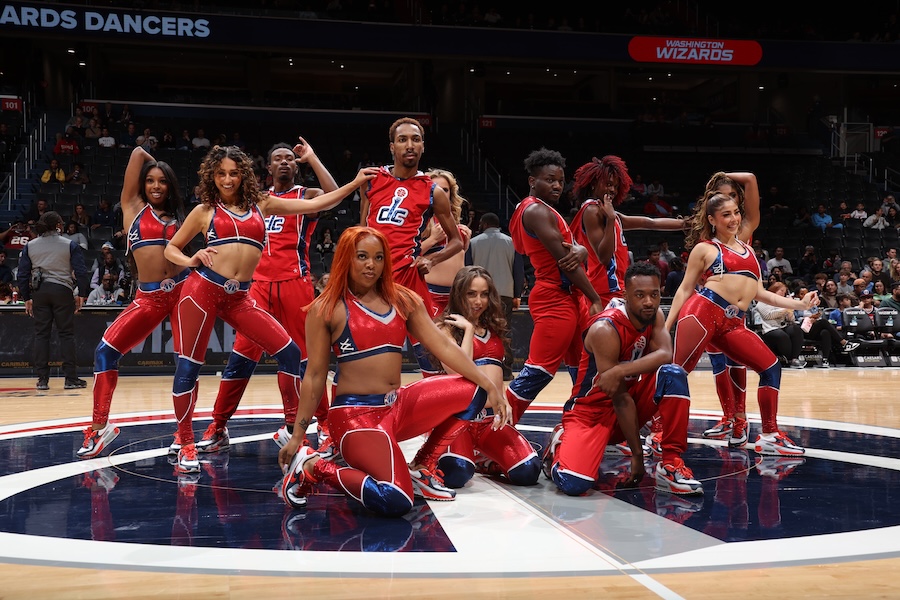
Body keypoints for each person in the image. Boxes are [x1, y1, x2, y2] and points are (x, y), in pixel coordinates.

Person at [163, 145, 376, 474]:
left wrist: (354, 183)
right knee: (191, 367)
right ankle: (188, 439)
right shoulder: (205, 210)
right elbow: (171, 248)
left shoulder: (261, 203)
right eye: (221, 174)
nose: (228, 179)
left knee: (293, 354)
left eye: (234, 173)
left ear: (244, 174)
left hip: (247, 295)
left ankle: (293, 430)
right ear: (212, 177)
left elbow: (319, 201)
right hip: (203, 291)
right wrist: (191, 258)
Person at [277, 227, 510, 515]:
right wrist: (299, 437)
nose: (371, 265)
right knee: (396, 499)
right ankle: (313, 467)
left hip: (396, 407)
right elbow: (313, 377)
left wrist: (489, 386)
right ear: (346, 259)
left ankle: (423, 466)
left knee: (474, 389)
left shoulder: (404, 300)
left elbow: (444, 348)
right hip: (356, 418)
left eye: (378, 257)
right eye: (362, 256)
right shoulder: (327, 308)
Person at [199, 138, 345, 457]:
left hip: (296, 284)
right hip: (258, 287)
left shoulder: (305, 196)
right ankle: (218, 425)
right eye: (277, 158)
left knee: (307, 360)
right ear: (267, 168)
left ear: (295, 166)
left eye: (289, 159)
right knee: (241, 357)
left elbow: (332, 196)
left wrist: (313, 157)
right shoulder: (256, 200)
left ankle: (323, 425)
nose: (283, 162)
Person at [665, 191, 818, 460]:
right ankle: (658, 432)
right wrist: (665, 327)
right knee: (677, 373)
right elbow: (684, 289)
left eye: (736, 212)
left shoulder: (749, 251)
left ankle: (769, 435)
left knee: (771, 367)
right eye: (726, 214)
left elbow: (760, 293)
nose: (734, 218)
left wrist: (800, 305)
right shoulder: (706, 248)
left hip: (732, 322)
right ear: (712, 219)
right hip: (702, 313)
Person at [543, 262, 697, 496]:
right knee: (575, 484)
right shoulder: (605, 329)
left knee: (673, 374)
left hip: (628, 403)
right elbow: (619, 398)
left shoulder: (654, 315)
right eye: (640, 295)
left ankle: (671, 462)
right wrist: (637, 456)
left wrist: (619, 371)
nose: (648, 302)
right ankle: (558, 447)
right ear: (625, 295)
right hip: (591, 412)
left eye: (654, 294)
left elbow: (666, 354)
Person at [504, 147, 604, 424]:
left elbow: (574, 254)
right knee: (539, 371)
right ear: (532, 181)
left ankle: (579, 420)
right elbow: (567, 262)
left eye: (560, 180)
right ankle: (494, 426)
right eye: (549, 179)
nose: (557, 185)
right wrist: (594, 298)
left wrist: (581, 250)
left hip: (568, 298)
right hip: (555, 297)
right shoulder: (536, 210)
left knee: (585, 363)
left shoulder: (541, 210)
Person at [358, 117, 463, 368]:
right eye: (402, 139)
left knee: (432, 353)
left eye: (416, 139)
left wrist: (431, 258)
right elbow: (361, 229)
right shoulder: (371, 179)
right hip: (372, 276)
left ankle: (444, 402)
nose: (409, 145)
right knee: (367, 350)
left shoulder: (433, 192)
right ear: (392, 147)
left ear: (423, 146)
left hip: (408, 276)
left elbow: (457, 241)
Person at [423, 265, 540, 489]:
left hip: (489, 422)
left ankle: (485, 461)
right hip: (459, 421)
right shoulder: (445, 329)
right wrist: (467, 330)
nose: (479, 301)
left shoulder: (492, 328)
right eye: (471, 294)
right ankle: (448, 455)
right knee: (456, 474)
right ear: (459, 294)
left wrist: (503, 400)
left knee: (528, 472)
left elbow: (496, 374)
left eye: (484, 294)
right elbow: (459, 371)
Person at [568, 155, 684, 308]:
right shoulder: (592, 210)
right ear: (594, 184)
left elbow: (649, 223)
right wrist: (610, 220)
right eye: (608, 184)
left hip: (615, 288)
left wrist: (685, 223)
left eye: (616, 186)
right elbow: (604, 257)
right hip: (603, 290)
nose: (612, 190)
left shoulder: (607, 211)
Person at [15, 211, 90, 391]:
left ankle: (42, 380)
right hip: (62, 290)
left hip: (40, 291)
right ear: (58, 225)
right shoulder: (69, 244)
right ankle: (70, 379)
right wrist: (82, 294)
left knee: (41, 335)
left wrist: (26, 297)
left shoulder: (30, 246)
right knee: (66, 334)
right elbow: (81, 271)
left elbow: (22, 274)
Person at [467, 211, 525, 380]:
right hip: (505, 293)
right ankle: (505, 371)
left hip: (480, 295)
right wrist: (517, 295)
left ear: (484, 224)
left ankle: (480, 368)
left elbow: (467, 269)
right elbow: (518, 271)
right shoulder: (511, 243)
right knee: (504, 332)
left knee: (480, 329)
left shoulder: (473, 242)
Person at [421, 168, 472, 318]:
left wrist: (465, 245)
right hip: (430, 293)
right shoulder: (419, 220)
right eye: (436, 188)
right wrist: (432, 240)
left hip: (457, 294)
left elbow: (457, 259)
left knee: (456, 339)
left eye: (445, 189)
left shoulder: (454, 222)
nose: (441, 193)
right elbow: (406, 255)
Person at [753, 282, 808, 369]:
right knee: (782, 336)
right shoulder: (762, 302)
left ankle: (795, 358)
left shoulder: (783, 302)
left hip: (782, 326)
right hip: (769, 327)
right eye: (781, 291)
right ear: (774, 289)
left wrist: (790, 312)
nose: (783, 293)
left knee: (796, 329)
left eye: (784, 291)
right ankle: (790, 359)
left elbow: (791, 320)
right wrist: (785, 309)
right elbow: (768, 315)